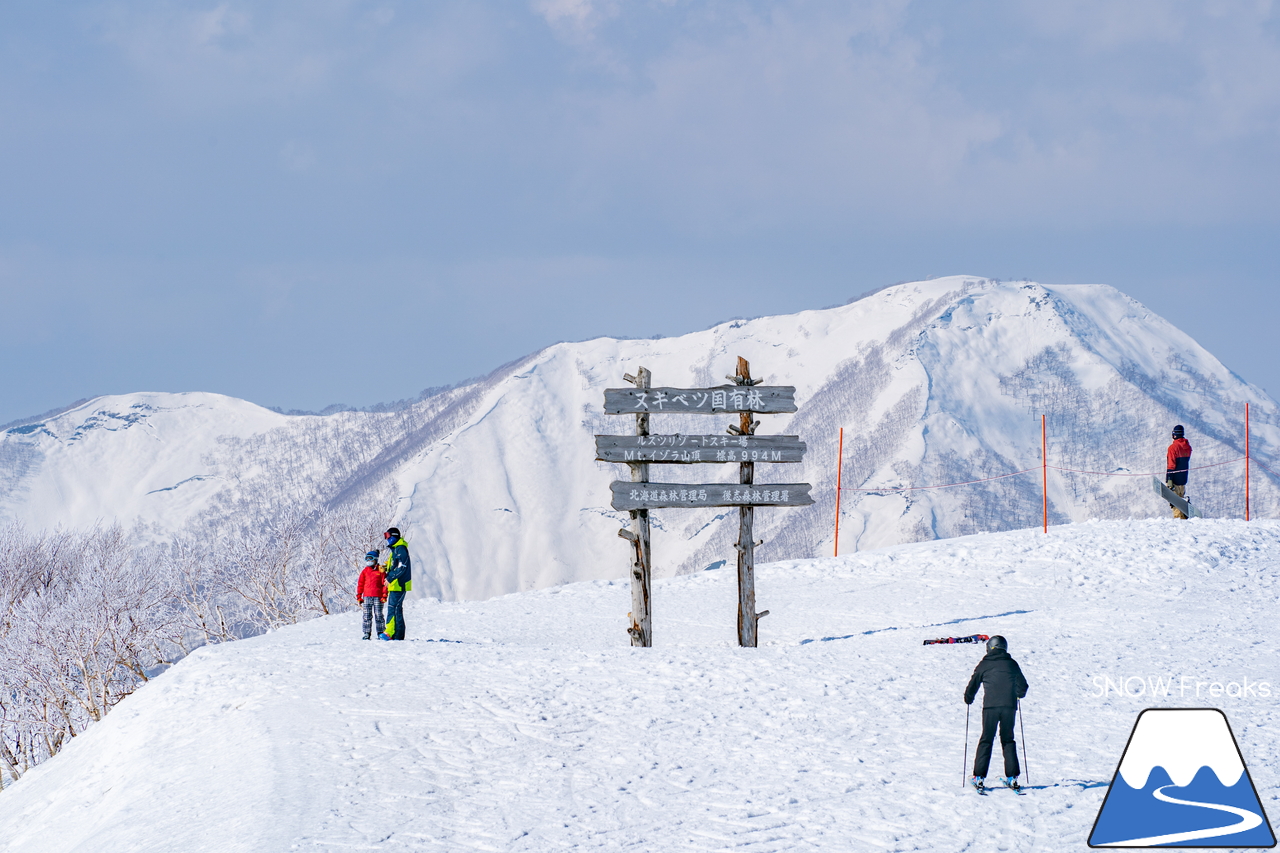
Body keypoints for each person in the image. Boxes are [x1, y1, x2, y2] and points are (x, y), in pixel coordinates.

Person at [964, 635, 1029, 792]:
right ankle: (1012, 778)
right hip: (1009, 706)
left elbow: (974, 682)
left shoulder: (984, 664)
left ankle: (979, 777)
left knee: (986, 739)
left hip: (990, 707)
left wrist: (968, 697)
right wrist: (1018, 694)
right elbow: (1023, 685)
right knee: (1008, 740)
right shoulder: (1012, 664)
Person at [379, 527, 411, 641]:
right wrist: (385, 567)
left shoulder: (400, 548)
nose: (387, 539)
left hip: (399, 584)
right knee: (396, 608)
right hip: (395, 584)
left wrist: (390, 578)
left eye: (388, 536)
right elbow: (394, 564)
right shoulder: (396, 549)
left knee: (393, 608)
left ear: (394, 536)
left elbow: (402, 566)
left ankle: (390, 633)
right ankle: (398, 635)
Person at [356, 550, 387, 640]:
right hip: (367, 597)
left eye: (371, 559)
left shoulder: (381, 571)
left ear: (375, 560)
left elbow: (384, 584)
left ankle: (380, 632)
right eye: (367, 559)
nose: (369, 561)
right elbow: (360, 584)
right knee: (366, 615)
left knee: (379, 615)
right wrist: (359, 596)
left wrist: (384, 595)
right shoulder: (365, 571)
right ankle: (366, 632)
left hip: (378, 597)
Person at [1166, 425, 1193, 520]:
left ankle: (1180, 522)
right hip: (1183, 478)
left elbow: (1171, 465)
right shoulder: (1188, 447)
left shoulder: (1172, 448)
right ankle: (1184, 516)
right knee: (1180, 499)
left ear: (1174, 435)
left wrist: (1169, 479)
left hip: (1175, 479)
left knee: (1175, 503)